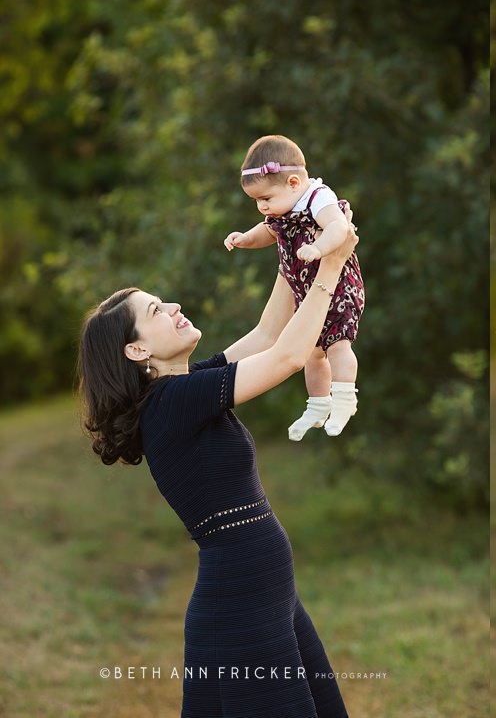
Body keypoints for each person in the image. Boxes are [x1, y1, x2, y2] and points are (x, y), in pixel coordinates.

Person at [78, 217, 359, 717]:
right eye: (156, 311)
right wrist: (332, 263)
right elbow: (288, 356)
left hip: (258, 588)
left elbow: (270, 332)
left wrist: (295, 237)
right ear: (138, 350)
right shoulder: (172, 402)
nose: (174, 307)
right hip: (242, 598)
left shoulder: (184, 387)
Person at [224, 134, 365, 439]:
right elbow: (269, 232)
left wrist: (319, 249)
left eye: (265, 199)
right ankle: (318, 404)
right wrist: (245, 239)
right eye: (257, 201)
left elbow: (339, 227)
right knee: (313, 353)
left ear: (293, 183)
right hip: (307, 291)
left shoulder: (318, 198)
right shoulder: (281, 210)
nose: (262, 207)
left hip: (339, 289)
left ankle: (345, 398)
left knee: (338, 344)